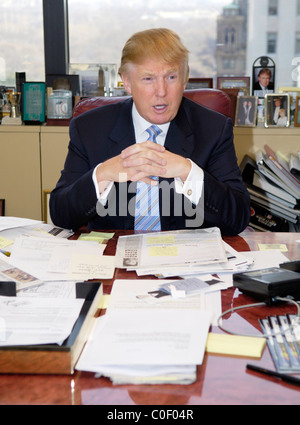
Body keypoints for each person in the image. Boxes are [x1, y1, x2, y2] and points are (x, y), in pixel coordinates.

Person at [50, 28, 250, 236]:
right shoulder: (90, 128)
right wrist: (103, 173)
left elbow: (238, 218)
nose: (161, 91)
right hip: (113, 258)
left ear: (185, 78)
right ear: (127, 81)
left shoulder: (213, 129)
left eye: (171, 77)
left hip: (184, 261)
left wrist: (187, 171)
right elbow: (61, 214)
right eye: (148, 79)